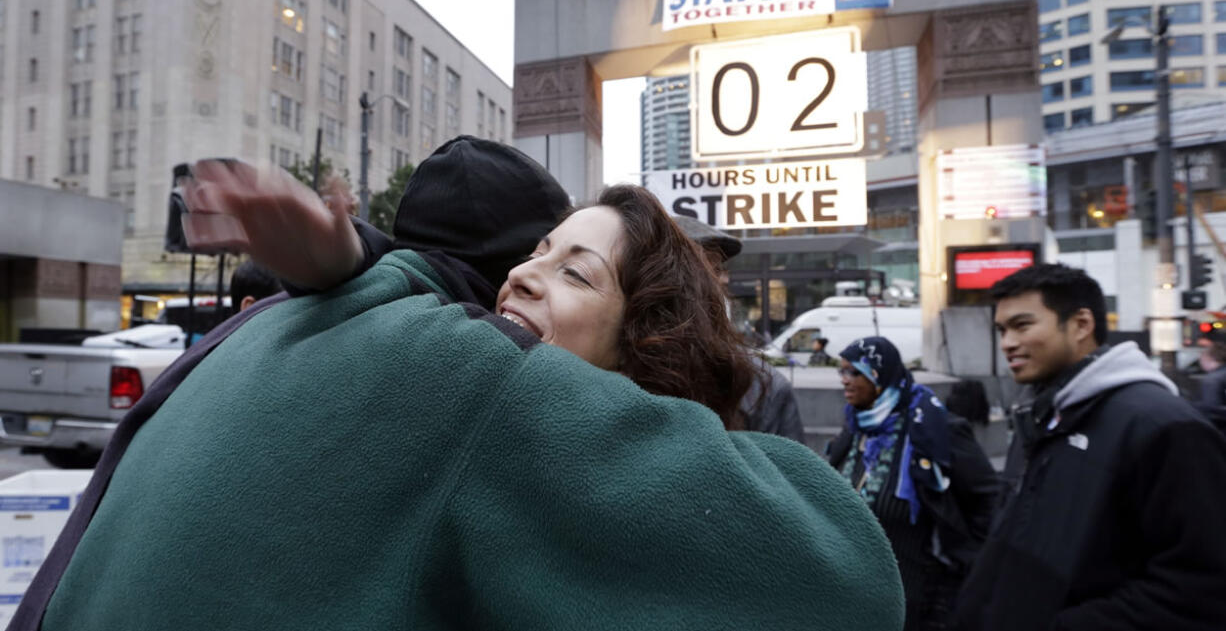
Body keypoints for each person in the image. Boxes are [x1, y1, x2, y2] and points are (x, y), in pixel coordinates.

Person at [16, 138, 903, 631]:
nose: (526, 277)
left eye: (575, 272)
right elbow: (851, 581)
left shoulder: (283, 324)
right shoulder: (483, 383)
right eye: (533, 254)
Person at [954, 263, 1226, 631]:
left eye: (1022, 325)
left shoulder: (1164, 426)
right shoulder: (1041, 418)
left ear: (1082, 324)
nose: (1008, 343)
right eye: (1001, 330)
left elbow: (1199, 588)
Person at [827, 337, 997, 631]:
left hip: (918, 598)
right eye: (842, 372)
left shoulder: (933, 429)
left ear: (880, 374)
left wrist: (970, 567)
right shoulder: (855, 429)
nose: (845, 381)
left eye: (855, 372)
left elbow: (988, 500)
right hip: (854, 594)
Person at [671, 214, 806, 442]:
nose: (721, 281)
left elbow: (791, 475)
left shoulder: (764, 388)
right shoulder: (610, 371)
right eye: (701, 267)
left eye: (719, 268)